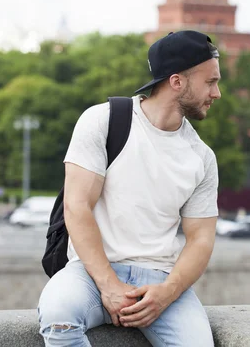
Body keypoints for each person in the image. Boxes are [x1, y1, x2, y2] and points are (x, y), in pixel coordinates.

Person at [37, 30, 222, 347]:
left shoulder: (201, 156)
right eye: (210, 82)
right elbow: (76, 208)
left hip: (161, 279)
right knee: (59, 316)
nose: (217, 93)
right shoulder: (103, 121)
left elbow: (201, 239)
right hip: (90, 274)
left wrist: (167, 294)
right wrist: (108, 285)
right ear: (176, 82)